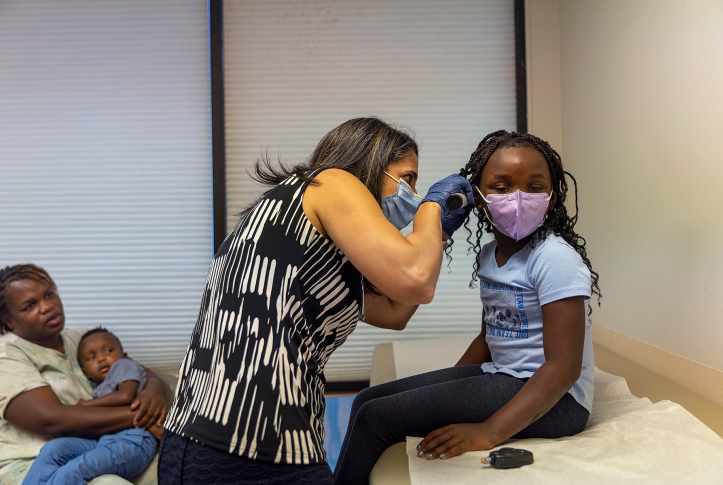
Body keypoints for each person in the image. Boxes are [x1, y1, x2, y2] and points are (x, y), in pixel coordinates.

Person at [158, 117, 474, 484]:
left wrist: (441, 235)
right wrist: (432, 211)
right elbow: (415, 281)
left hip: (213, 438)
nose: (414, 194)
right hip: (244, 438)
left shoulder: (311, 240)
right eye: (408, 178)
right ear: (369, 162)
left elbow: (393, 312)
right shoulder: (333, 182)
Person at [332, 130, 602, 485]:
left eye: (534, 187)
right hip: (506, 376)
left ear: (551, 198)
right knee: (366, 399)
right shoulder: (492, 255)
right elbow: (490, 336)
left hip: (560, 402)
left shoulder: (554, 259)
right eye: (502, 187)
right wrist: (441, 391)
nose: (518, 198)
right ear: (476, 198)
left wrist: (489, 432)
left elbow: (563, 368)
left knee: (376, 418)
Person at [0, 264, 168, 485]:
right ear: (8, 320)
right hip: (33, 463)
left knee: (174, 469)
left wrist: (154, 389)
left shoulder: (80, 338)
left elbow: (129, 366)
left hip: (105, 444)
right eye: (30, 306)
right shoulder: (7, 354)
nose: (47, 307)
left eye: (49, 295)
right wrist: (148, 417)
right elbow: (50, 421)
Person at [21, 327, 160, 485]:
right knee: (53, 449)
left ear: (125, 356)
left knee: (73, 470)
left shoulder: (124, 367)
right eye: (92, 357)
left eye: (108, 351)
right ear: (85, 373)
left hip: (133, 443)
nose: (101, 359)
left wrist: (86, 404)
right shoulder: (100, 388)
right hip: (104, 440)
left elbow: (125, 396)